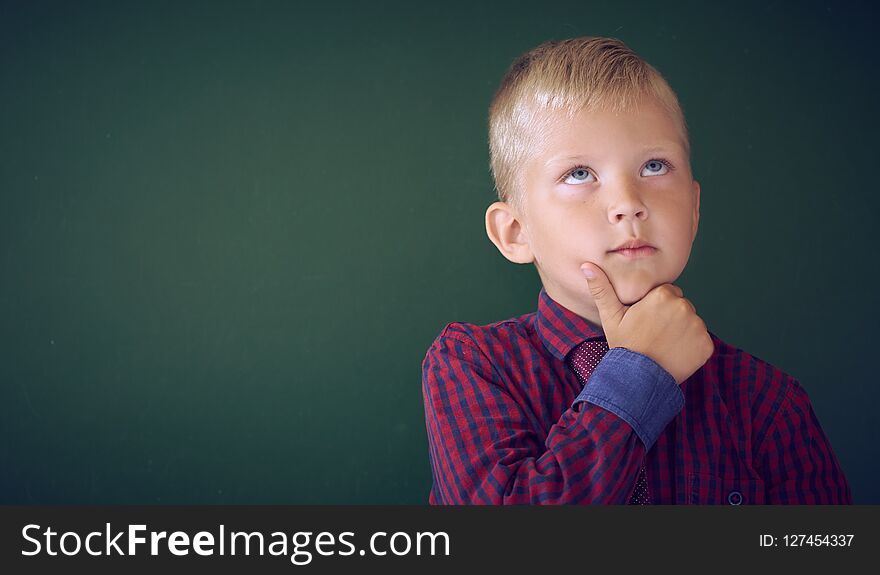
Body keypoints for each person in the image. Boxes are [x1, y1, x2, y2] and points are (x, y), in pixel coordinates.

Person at [421, 36, 852, 504]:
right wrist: (638, 375)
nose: (629, 203)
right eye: (579, 174)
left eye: (653, 165)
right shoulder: (473, 366)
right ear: (515, 232)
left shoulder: (767, 402)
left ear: (693, 207)